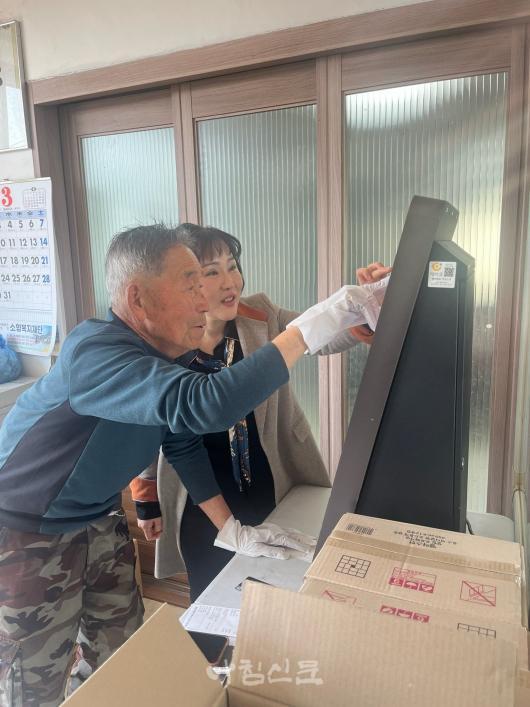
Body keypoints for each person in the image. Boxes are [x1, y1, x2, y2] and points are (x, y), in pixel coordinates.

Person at [0, 224, 379, 707]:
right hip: (26, 531)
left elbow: (181, 442)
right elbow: (208, 406)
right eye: (191, 285)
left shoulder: (171, 354)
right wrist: (310, 328)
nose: (205, 301)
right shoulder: (96, 352)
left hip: (97, 518)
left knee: (120, 652)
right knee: (33, 680)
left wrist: (230, 529)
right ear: (138, 298)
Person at [131, 224, 391, 600]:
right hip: (202, 495)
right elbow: (148, 425)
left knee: (276, 586)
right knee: (214, 594)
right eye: (211, 272)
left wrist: (367, 305)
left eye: (232, 266)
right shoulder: (167, 341)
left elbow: (321, 337)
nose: (229, 282)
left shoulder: (260, 314)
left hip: (269, 478)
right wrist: (145, 497)